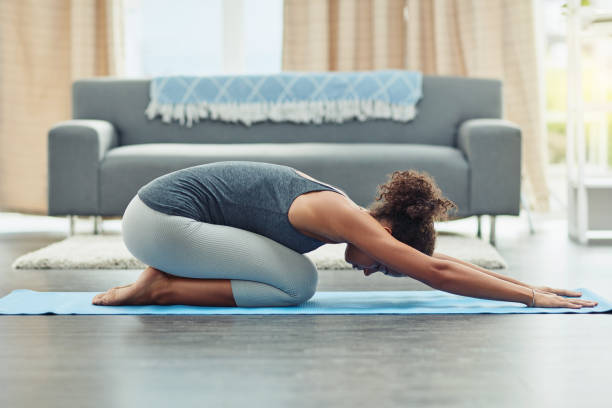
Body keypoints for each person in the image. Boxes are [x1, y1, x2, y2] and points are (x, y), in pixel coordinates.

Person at [92, 161, 597, 310]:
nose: (371, 267)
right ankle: (162, 286)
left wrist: (530, 283)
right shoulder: (345, 216)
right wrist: (529, 297)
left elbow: (448, 263)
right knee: (297, 283)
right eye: (384, 259)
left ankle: (166, 277)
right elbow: (438, 273)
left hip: (160, 219)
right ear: (386, 228)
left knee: (294, 275)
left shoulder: (337, 211)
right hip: (159, 221)